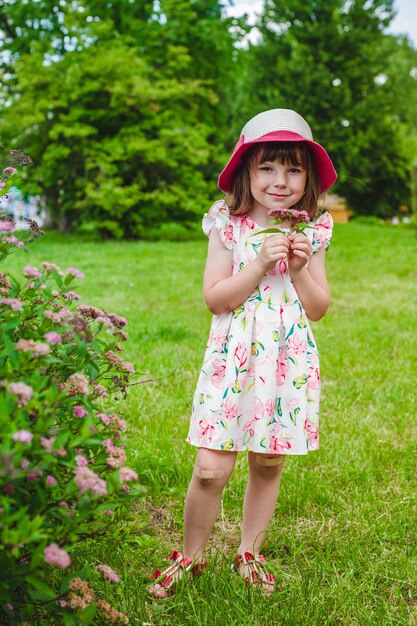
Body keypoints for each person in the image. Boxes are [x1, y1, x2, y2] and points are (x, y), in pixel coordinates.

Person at [148, 108, 337, 597]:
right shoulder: (228, 224)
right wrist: (257, 265)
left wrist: (297, 268)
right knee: (211, 468)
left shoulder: (311, 229)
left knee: (268, 463)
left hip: (285, 361)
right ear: (247, 171)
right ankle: (189, 556)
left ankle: (248, 551)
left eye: (294, 169)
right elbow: (216, 297)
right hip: (233, 359)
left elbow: (318, 308)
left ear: (308, 176)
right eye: (268, 168)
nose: (281, 181)